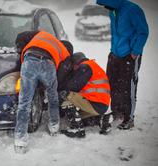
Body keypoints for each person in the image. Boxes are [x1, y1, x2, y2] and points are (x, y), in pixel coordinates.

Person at [14, 30, 73, 153]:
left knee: (24, 102)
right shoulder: (65, 51)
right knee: (53, 97)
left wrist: (19, 48)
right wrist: (53, 85)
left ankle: (20, 140)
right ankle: (54, 127)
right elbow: (64, 71)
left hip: (29, 60)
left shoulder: (41, 34)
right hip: (48, 63)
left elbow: (22, 36)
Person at [96, 0, 149, 130]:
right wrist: (113, 51)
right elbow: (116, 34)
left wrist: (135, 52)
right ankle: (117, 111)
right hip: (115, 54)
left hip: (130, 55)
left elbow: (143, 32)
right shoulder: (112, 11)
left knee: (128, 86)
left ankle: (129, 118)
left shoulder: (132, 9)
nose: (105, 7)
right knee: (112, 84)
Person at [58, 52, 112, 138]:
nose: (73, 69)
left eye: (73, 66)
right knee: (79, 117)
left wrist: (58, 92)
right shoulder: (93, 66)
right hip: (101, 104)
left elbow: (73, 86)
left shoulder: (85, 67)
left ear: (76, 63)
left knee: (66, 95)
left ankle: (77, 129)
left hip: (96, 103)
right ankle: (100, 119)